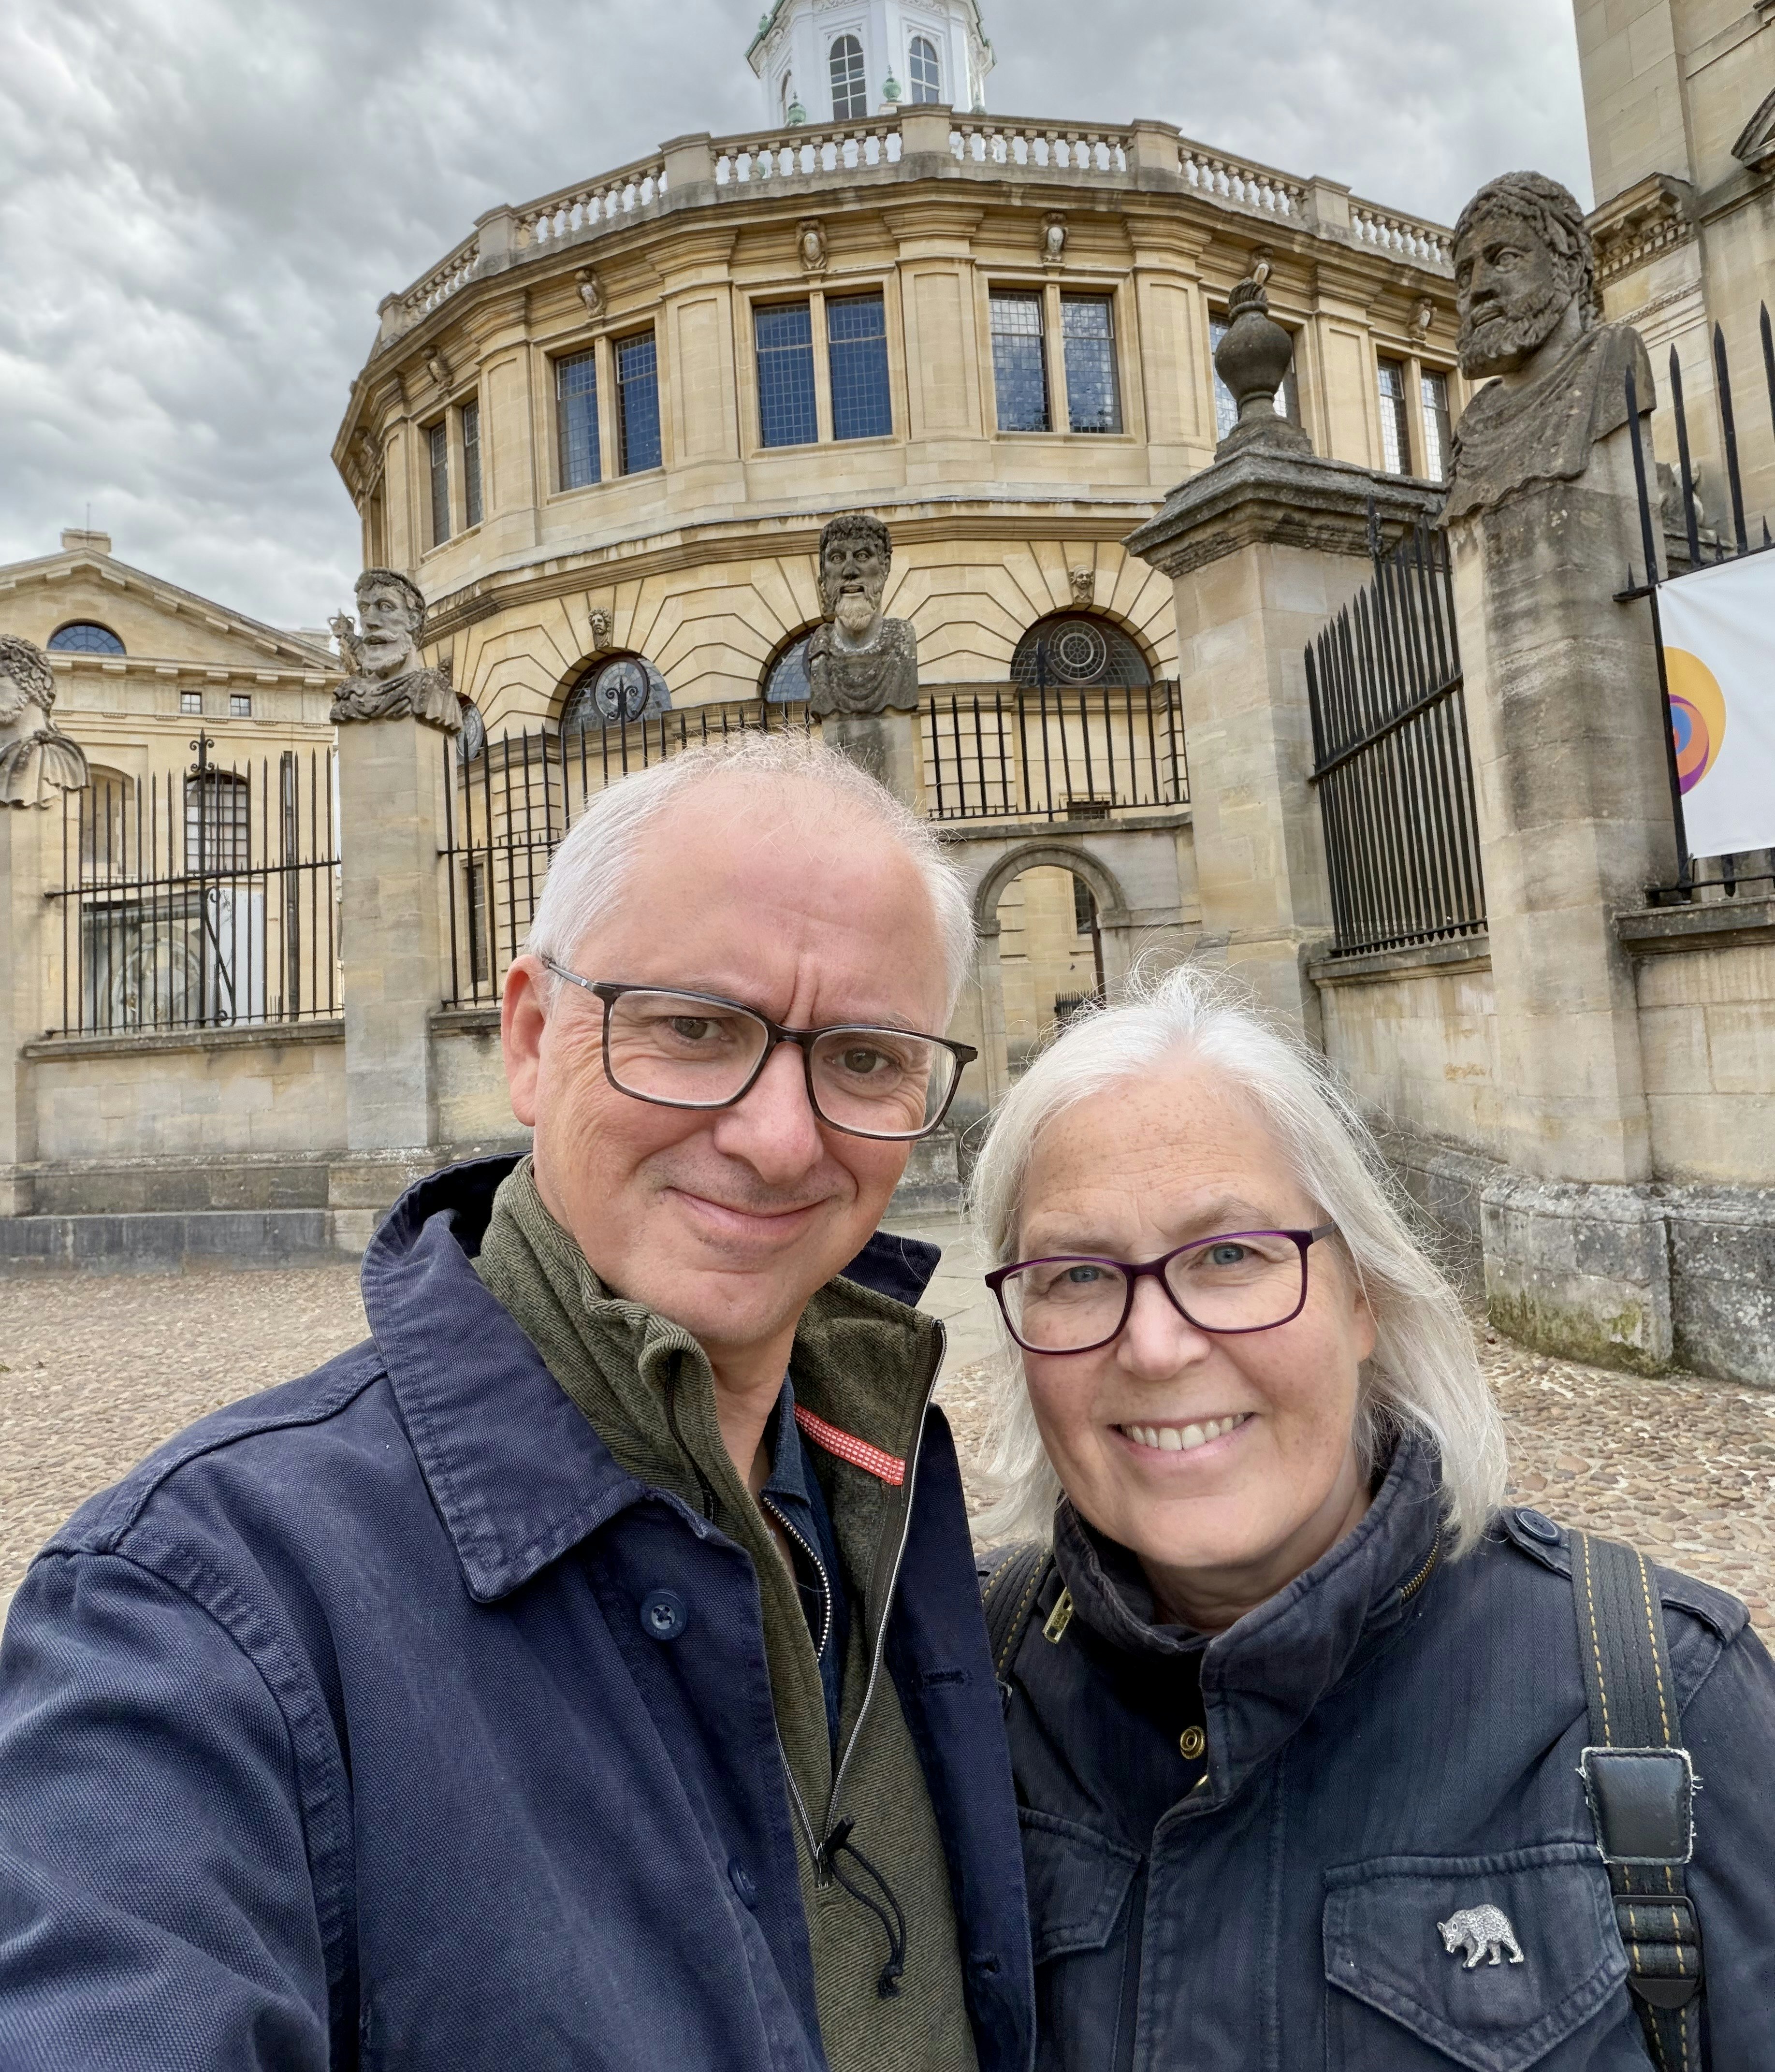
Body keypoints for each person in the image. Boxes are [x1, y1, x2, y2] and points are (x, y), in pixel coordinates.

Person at [0, 735, 1034, 2072]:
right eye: (694, 1028)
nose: (781, 1139)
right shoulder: (198, 1604)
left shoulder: (902, 1493)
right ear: (535, 1039)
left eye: (866, 1058)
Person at [970, 966, 1775, 2069]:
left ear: (1363, 1295)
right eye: (1076, 1275)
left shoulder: (1666, 1700)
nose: (1154, 1347)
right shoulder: (969, 1689)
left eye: (1230, 1256)